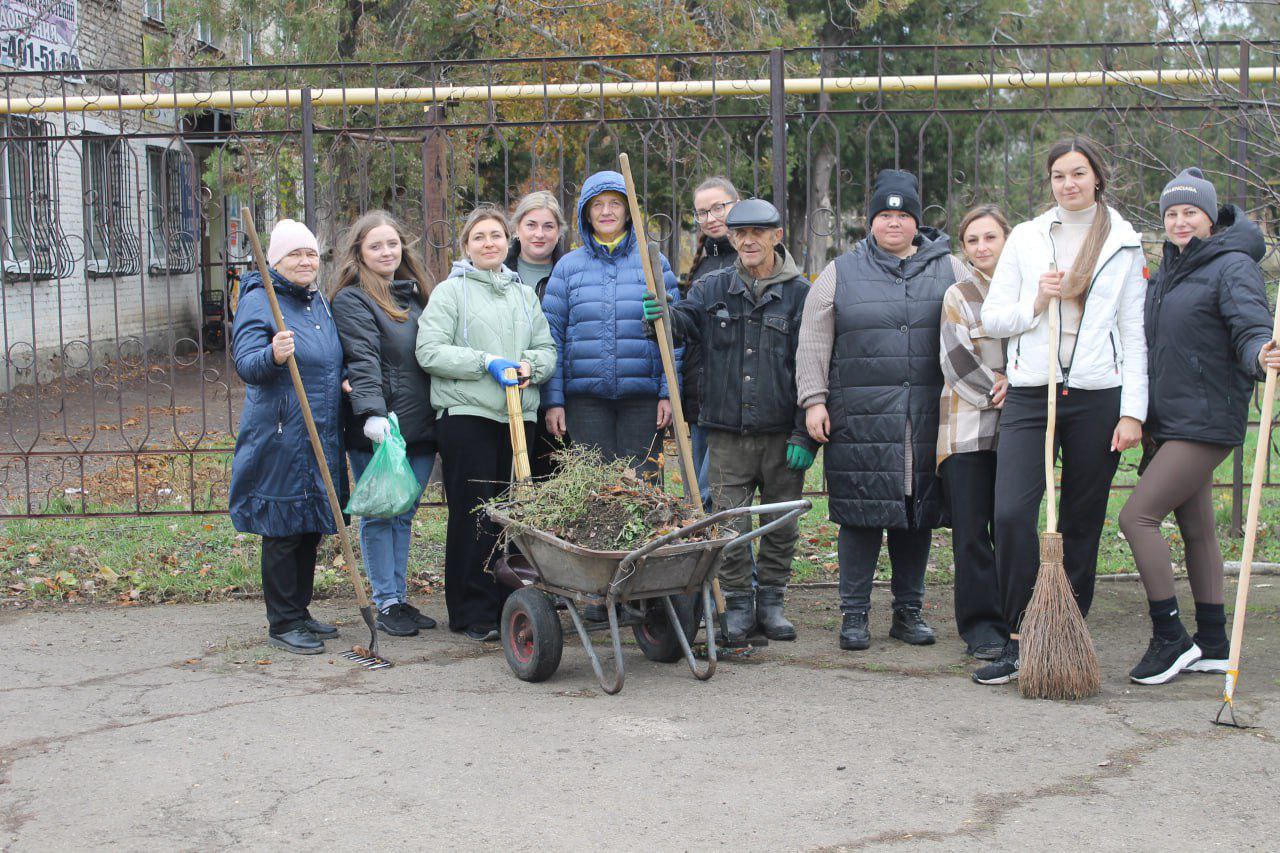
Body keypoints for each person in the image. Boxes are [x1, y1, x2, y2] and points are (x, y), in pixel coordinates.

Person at [975, 136, 1148, 685]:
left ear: (1097, 176)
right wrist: (1037, 302)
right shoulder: (1027, 238)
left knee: (1081, 518)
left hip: (1098, 396)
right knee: (1010, 513)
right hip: (1033, 391)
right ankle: (1017, 636)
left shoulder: (1123, 242)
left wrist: (1133, 412)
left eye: (1078, 173)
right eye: (1058, 175)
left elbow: (1133, 333)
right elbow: (994, 318)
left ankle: (1064, 634)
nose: (1068, 184)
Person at [1119, 169, 1280, 684]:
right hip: (1172, 418)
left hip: (1207, 419)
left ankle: (1170, 637)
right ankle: (1212, 641)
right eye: (1171, 213)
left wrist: (1261, 355)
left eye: (1191, 212)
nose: (1180, 221)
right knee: (1197, 528)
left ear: (1211, 217)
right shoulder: (1169, 269)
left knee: (1136, 517)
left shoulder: (1232, 265)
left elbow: (1250, 327)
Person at [797, 169, 967, 652]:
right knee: (860, 516)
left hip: (925, 417)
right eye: (885, 215)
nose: (894, 222)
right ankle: (853, 614)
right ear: (872, 221)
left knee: (917, 513)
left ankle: (908, 611)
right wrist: (813, 400)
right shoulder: (840, 271)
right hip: (860, 417)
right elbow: (813, 340)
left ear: (917, 220)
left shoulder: (952, 269)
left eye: (904, 214)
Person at [645, 198, 815, 644]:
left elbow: (813, 367)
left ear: (777, 236)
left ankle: (772, 602)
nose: (748, 241)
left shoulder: (801, 295)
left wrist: (804, 434)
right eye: (740, 233)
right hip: (726, 434)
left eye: (757, 233)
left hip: (782, 435)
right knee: (729, 524)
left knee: (781, 524)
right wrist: (662, 316)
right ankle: (738, 603)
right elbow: (683, 323)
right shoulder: (712, 288)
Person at [416, 206, 556, 641]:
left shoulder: (523, 295)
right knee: (475, 514)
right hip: (467, 418)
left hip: (518, 417)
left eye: (495, 235)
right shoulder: (450, 293)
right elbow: (429, 351)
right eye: (479, 237)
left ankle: (510, 604)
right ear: (466, 246)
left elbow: (546, 349)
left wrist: (531, 366)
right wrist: (485, 361)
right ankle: (471, 610)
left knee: (514, 514)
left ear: (507, 241)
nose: (489, 243)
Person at [229, 219, 346, 655]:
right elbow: (246, 365)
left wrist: (345, 378)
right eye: (295, 254)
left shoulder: (316, 300)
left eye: (310, 254)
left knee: (309, 524)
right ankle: (282, 622)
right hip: (281, 433)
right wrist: (273, 354)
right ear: (275, 261)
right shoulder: (260, 300)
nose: (305, 261)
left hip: (320, 430)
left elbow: (329, 358)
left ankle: (299, 610)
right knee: (283, 527)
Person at [331, 210, 439, 638]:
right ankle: (386, 601)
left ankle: (398, 597)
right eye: (375, 245)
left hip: (421, 426)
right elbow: (362, 358)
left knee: (404, 513)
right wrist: (373, 414)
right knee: (381, 513)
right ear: (359, 252)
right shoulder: (353, 300)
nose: (386, 252)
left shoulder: (415, 296)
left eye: (392, 243)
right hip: (381, 429)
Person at [541, 170, 680, 478]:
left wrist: (667, 393)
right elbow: (551, 338)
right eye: (597, 204)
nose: (606, 211)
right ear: (586, 214)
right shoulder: (567, 268)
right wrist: (554, 400)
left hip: (643, 400)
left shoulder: (653, 262)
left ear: (628, 212)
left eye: (615, 203)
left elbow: (675, 335)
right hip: (585, 402)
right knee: (594, 488)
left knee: (643, 488)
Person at [938, 205, 1012, 661]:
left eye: (990, 237)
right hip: (966, 430)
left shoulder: (1027, 291)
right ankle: (982, 627)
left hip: (1020, 430)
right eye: (972, 240)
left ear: (1007, 239)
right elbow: (955, 358)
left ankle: (1016, 619)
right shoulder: (959, 294)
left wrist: (1018, 386)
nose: (981, 247)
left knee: (1011, 527)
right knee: (971, 532)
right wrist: (1000, 390)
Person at [683, 177, 740, 509]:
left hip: (734, 395)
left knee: (717, 492)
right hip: (700, 394)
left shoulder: (751, 258)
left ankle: (725, 546)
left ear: (737, 204)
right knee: (697, 494)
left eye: (719, 207)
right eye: (702, 212)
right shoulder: (702, 265)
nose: (711, 218)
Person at [505, 191, 568, 480]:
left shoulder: (569, 272)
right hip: (508, 393)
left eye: (548, 226)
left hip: (557, 399)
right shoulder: (497, 270)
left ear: (559, 232)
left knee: (551, 482)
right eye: (531, 225)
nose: (539, 234)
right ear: (517, 228)